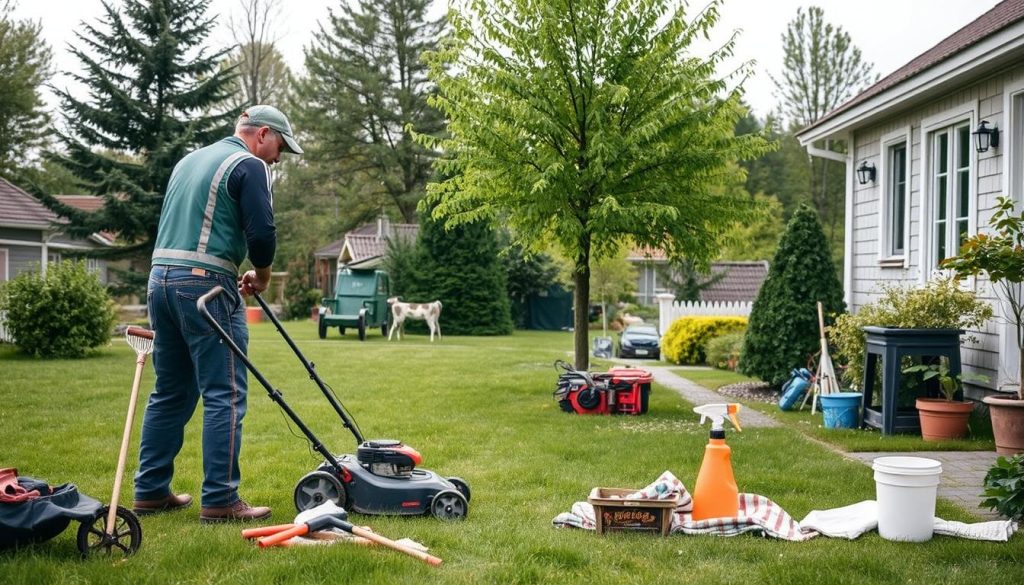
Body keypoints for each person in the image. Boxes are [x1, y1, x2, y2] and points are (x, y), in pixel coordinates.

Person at [132, 105, 302, 523]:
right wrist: (260, 275)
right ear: (262, 134)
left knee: (170, 391)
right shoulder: (250, 165)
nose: (278, 158)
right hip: (204, 287)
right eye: (280, 146)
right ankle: (221, 499)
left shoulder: (189, 161)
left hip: (160, 281)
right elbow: (261, 234)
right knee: (224, 392)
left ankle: (150, 491)